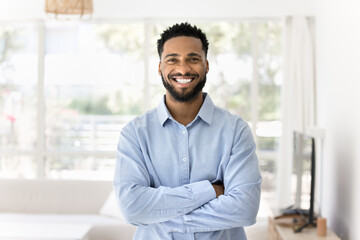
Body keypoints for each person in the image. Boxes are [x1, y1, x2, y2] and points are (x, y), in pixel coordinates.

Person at [114, 22, 262, 240]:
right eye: (172, 59)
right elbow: (132, 208)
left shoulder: (235, 130)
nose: (183, 69)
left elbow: (245, 209)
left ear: (206, 65)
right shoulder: (134, 134)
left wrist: (162, 216)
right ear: (160, 67)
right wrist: (210, 191)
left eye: (193, 59)